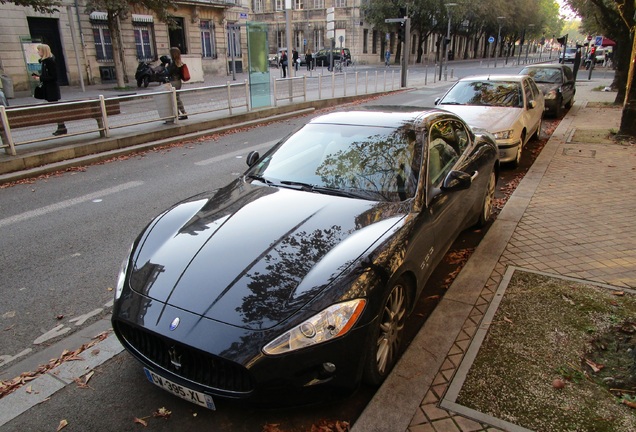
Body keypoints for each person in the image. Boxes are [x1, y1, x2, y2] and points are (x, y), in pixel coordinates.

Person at [33, 44, 65, 136]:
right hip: (49, 89)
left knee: (55, 109)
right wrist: (40, 77)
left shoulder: (49, 61)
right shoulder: (44, 62)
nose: (38, 52)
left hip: (52, 90)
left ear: (44, 51)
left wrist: (40, 78)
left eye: (39, 50)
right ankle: (61, 127)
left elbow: (54, 77)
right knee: (55, 109)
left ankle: (61, 127)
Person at [166, 47, 188, 122]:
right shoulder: (179, 63)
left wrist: (167, 66)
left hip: (173, 82)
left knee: (175, 98)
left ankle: (182, 113)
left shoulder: (173, 64)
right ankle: (179, 113)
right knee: (176, 98)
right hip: (178, 81)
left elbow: (168, 72)